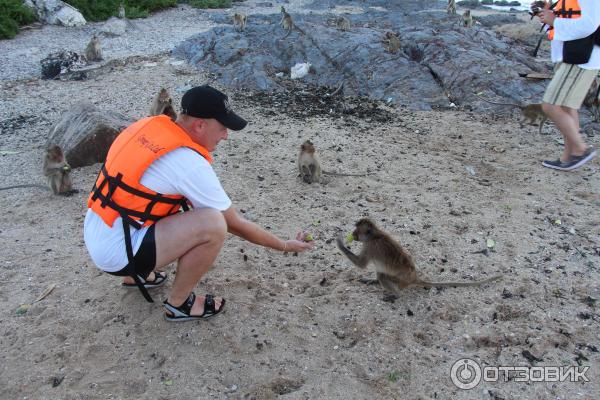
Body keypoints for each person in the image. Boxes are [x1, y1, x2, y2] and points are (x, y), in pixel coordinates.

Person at [84, 85, 313, 321]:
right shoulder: (188, 162)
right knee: (213, 224)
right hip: (119, 253)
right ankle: (179, 304)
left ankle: (137, 275)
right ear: (200, 125)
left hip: (100, 230)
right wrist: (285, 245)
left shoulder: (148, 127)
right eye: (223, 128)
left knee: (162, 200)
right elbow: (235, 223)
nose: (226, 135)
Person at [536, 0, 599, 171]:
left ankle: (581, 149)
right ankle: (568, 157)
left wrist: (554, 21)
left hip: (581, 56)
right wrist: (548, 13)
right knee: (566, 107)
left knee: (550, 105)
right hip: (566, 54)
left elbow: (589, 24)